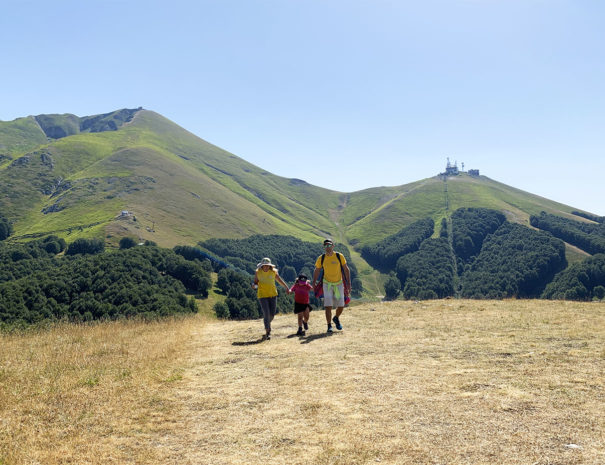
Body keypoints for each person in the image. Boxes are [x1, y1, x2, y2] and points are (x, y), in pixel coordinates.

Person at [312, 239, 351, 333]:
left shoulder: (339, 256)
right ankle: (329, 326)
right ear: (324, 247)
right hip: (327, 284)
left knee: (341, 305)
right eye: (325, 246)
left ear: (333, 246)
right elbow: (317, 270)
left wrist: (349, 284)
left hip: (339, 283)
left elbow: (346, 269)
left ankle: (336, 318)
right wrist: (314, 282)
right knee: (328, 306)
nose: (327, 247)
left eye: (329, 245)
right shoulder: (321, 258)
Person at [253, 257, 289, 340]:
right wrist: (254, 286)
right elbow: (255, 283)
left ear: (270, 266)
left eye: (267, 266)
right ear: (261, 266)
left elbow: (279, 280)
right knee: (266, 313)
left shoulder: (273, 272)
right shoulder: (258, 272)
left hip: (273, 295)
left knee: (272, 314)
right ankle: (268, 332)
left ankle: (267, 323)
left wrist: (286, 287)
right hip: (262, 295)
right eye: (264, 265)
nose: (265, 267)